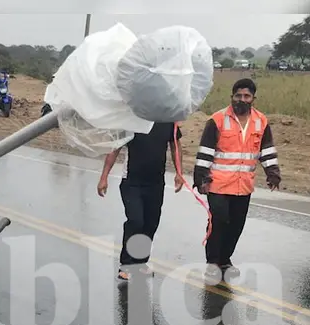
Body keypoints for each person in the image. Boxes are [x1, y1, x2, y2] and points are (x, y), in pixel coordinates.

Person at [193, 78, 281, 282]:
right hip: (218, 183)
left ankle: (225, 259)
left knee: (236, 225)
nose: (242, 99)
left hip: (244, 186)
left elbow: (266, 150)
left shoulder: (261, 121)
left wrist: (272, 173)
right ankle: (213, 261)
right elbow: (205, 151)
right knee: (220, 220)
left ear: (253, 99)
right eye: (238, 96)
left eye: (247, 96)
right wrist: (201, 178)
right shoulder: (217, 120)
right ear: (231, 97)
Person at [97, 123, 185, 282]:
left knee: (151, 224)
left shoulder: (167, 121)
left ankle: (140, 262)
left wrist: (179, 172)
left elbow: (175, 146)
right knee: (136, 221)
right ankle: (126, 264)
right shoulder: (131, 120)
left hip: (156, 183)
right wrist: (104, 177)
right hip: (132, 182)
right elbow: (115, 148)